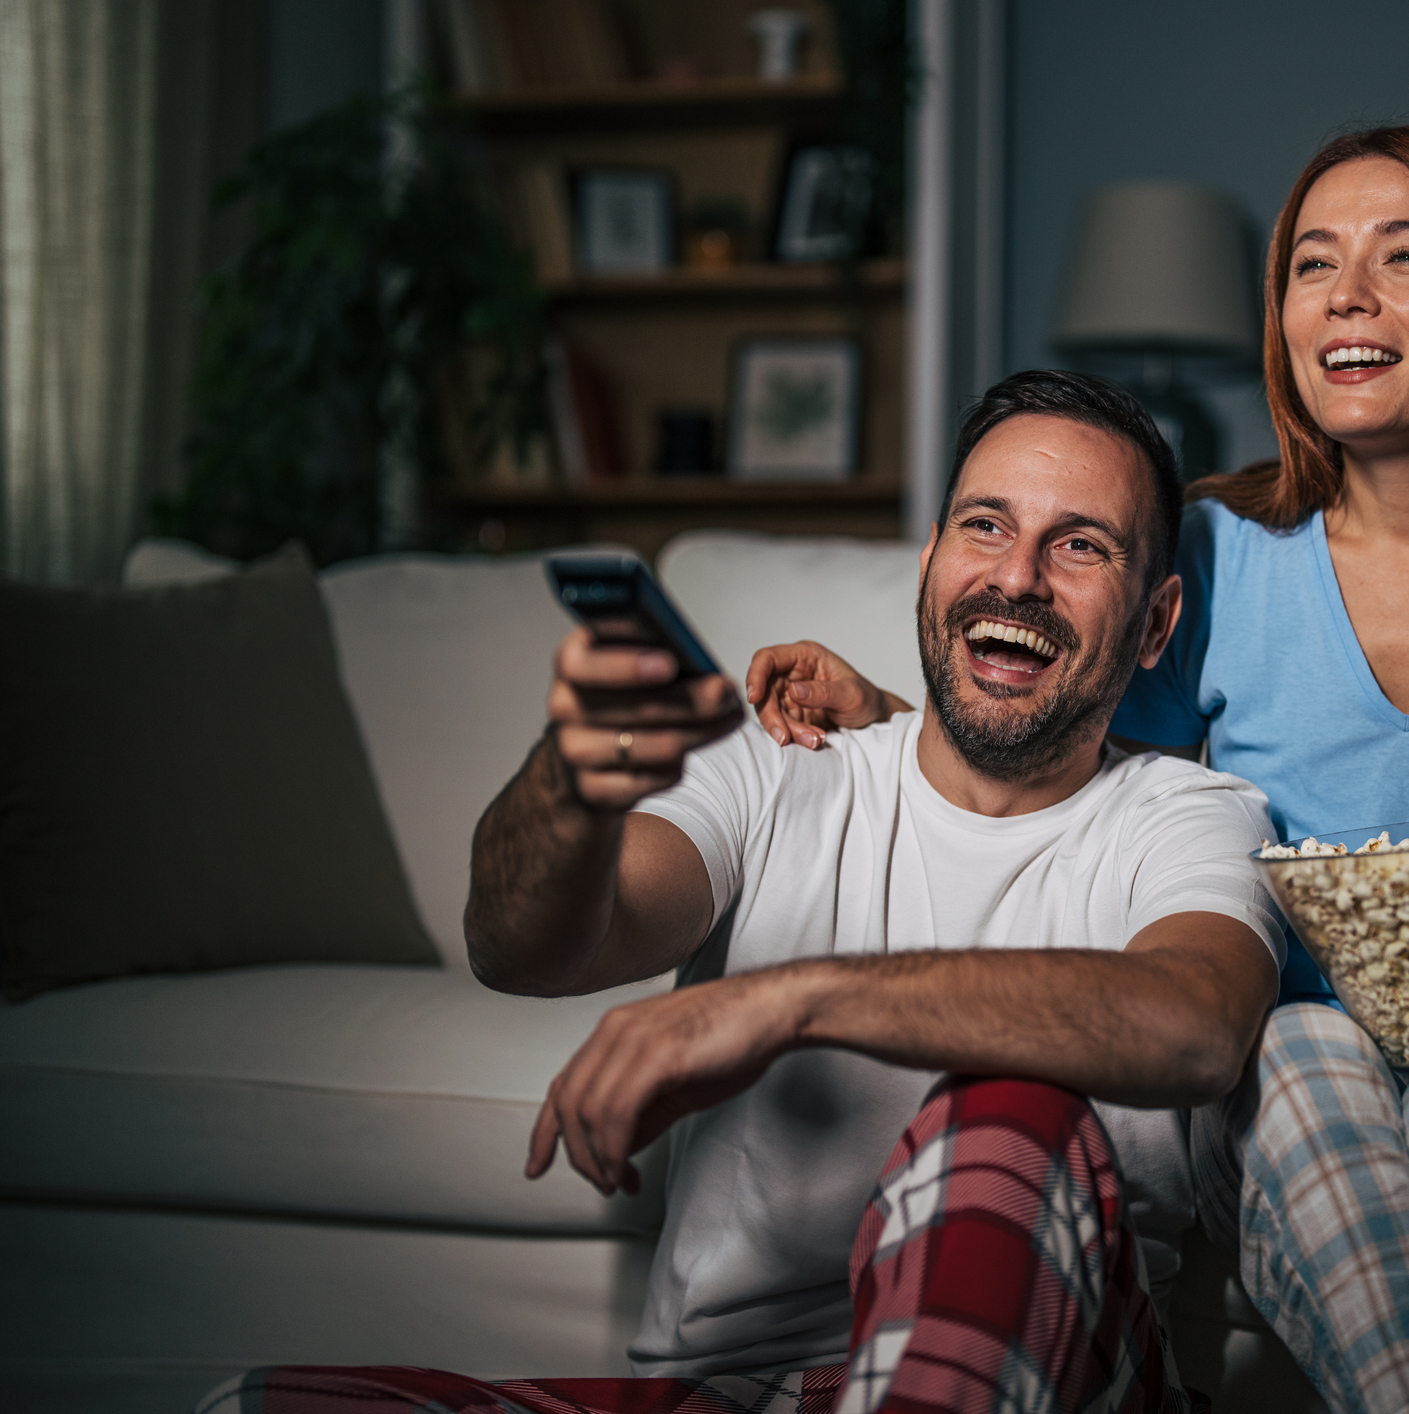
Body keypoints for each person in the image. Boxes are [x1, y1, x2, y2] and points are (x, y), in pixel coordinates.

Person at [748, 127, 1409, 1412]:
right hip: (1295, 1038)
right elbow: (1063, 747)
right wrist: (884, 715)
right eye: (1313, 265)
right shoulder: (1219, 546)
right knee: (1305, 1057)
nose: (1345, 295)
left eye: (1402, 256)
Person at [197, 370, 1283, 1414]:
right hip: (724, 1394)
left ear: (1153, 623)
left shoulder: (1187, 816)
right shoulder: (779, 763)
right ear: (930, 565)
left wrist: (781, 998)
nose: (1016, 578)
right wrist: (567, 778)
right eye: (984, 526)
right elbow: (525, 946)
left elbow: (1191, 1020)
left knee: (1005, 1123)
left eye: (1080, 546)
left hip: (1054, 1379)